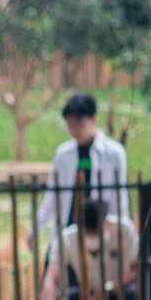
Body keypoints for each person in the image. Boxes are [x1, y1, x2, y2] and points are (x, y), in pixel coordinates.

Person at [40, 199, 141, 300]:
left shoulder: (124, 230)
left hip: (119, 292)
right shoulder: (67, 238)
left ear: (107, 224)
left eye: (96, 232)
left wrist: (108, 288)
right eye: (88, 232)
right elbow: (50, 279)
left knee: (135, 296)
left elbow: (137, 270)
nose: (92, 237)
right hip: (88, 296)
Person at [35, 94, 131, 240]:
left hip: (98, 231)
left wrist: (120, 230)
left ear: (94, 119)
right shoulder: (63, 154)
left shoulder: (114, 153)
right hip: (67, 230)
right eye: (70, 125)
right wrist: (38, 227)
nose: (74, 130)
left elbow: (119, 197)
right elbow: (52, 194)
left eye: (79, 124)